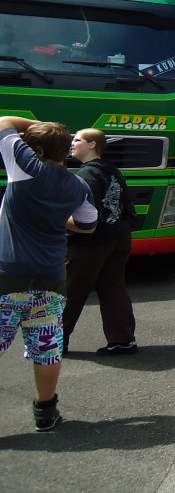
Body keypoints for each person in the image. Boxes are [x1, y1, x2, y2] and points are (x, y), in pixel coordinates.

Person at [0, 116, 97, 431]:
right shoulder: (78, 185)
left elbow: (3, 121)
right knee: (46, 348)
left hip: (7, 275)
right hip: (51, 279)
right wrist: (58, 218)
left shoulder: (25, 167)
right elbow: (88, 225)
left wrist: (39, 123)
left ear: (39, 150)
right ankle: (45, 411)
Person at [65, 128, 138, 356]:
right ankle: (123, 340)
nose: (72, 143)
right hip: (119, 236)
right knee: (113, 287)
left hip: (91, 242)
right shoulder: (112, 170)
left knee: (71, 290)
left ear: (92, 145)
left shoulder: (86, 175)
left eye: (77, 140)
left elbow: (84, 215)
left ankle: (54, 342)